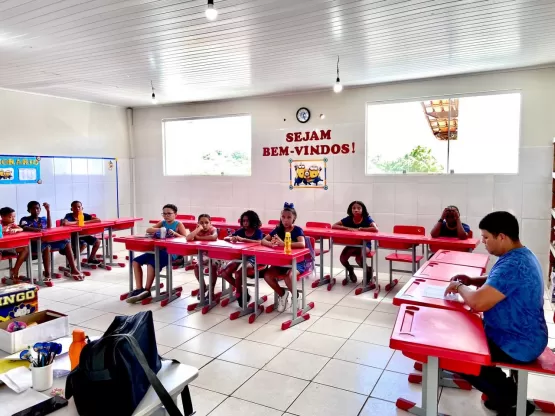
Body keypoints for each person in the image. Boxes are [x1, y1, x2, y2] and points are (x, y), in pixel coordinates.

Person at [444, 211, 547, 416]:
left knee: (461, 354)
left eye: (486, 238)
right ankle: (505, 391)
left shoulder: (513, 265)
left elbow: (478, 302)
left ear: (501, 236)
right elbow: (496, 278)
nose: (484, 242)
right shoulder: (520, 254)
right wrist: (472, 280)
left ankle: (509, 399)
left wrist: (459, 287)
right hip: (527, 334)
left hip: (519, 342)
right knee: (467, 338)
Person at [127, 204, 188, 303]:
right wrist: (162, 229)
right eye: (164, 213)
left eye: (169, 213)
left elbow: (186, 238)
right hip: (157, 250)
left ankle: (147, 291)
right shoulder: (162, 223)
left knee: (151, 264)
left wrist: (175, 233)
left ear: (175, 214)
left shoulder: (178, 224)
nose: (166, 216)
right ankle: (139, 289)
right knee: (135, 262)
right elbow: (148, 230)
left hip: (170, 252)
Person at [20, 201, 84, 281]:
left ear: (40, 209)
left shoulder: (42, 219)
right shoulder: (25, 219)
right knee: (47, 246)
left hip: (45, 241)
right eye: (33, 209)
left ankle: (73, 269)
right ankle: (47, 274)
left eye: (37, 208)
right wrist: (37, 230)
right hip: (33, 245)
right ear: (29, 210)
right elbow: (24, 227)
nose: (36, 210)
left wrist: (48, 211)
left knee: (66, 242)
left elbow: (49, 227)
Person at [262, 202, 306, 312]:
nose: (286, 220)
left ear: (294, 218)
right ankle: (282, 294)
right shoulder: (278, 229)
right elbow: (263, 240)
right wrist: (270, 244)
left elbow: (302, 244)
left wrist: (284, 244)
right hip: (281, 262)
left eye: (289, 217)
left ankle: (296, 297)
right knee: (267, 275)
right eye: (283, 217)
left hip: (297, 262)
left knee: (288, 277)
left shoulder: (297, 230)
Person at [221, 210, 264, 307]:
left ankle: (239, 294)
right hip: (240, 257)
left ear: (253, 221)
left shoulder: (257, 231)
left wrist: (243, 239)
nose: (245, 223)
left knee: (238, 273)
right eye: (243, 221)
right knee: (224, 272)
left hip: (253, 258)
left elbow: (259, 242)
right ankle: (242, 290)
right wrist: (231, 238)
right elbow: (226, 238)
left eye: (247, 221)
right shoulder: (241, 231)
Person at [332, 200, 378, 285]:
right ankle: (350, 270)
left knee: (358, 258)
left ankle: (368, 273)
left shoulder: (367, 218)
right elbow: (334, 226)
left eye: (358, 208)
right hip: (352, 244)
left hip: (365, 245)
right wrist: (347, 228)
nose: (356, 210)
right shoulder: (349, 218)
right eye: (354, 208)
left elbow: (375, 229)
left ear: (363, 209)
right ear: (351, 210)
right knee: (342, 258)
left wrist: (361, 229)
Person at [186, 214, 219, 300]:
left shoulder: (213, 229)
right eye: (201, 223)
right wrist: (198, 229)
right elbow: (188, 238)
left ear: (210, 223)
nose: (204, 225)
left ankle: (211, 290)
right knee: (196, 267)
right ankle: (203, 286)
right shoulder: (198, 230)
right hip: (203, 255)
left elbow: (213, 237)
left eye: (206, 222)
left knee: (213, 266)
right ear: (198, 223)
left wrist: (198, 237)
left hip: (215, 255)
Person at [62, 201, 102, 265]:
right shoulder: (69, 215)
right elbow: (65, 223)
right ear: (71, 209)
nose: (77, 208)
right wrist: (78, 222)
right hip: (73, 237)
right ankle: (71, 264)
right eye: (75, 207)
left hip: (83, 235)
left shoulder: (84, 215)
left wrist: (83, 222)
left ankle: (91, 259)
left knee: (98, 242)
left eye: (79, 207)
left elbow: (98, 220)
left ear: (82, 208)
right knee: (84, 244)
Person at [0, 207, 29, 281]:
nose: (13, 219)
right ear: (2, 217)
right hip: (1, 249)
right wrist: (4, 229)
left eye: (14, 217)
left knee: (25, 249)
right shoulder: (0, 224)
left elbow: (21, 229)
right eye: (10, 217)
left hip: (10, 247)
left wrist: (16, 229)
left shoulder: (12, 224)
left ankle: (15, 270)